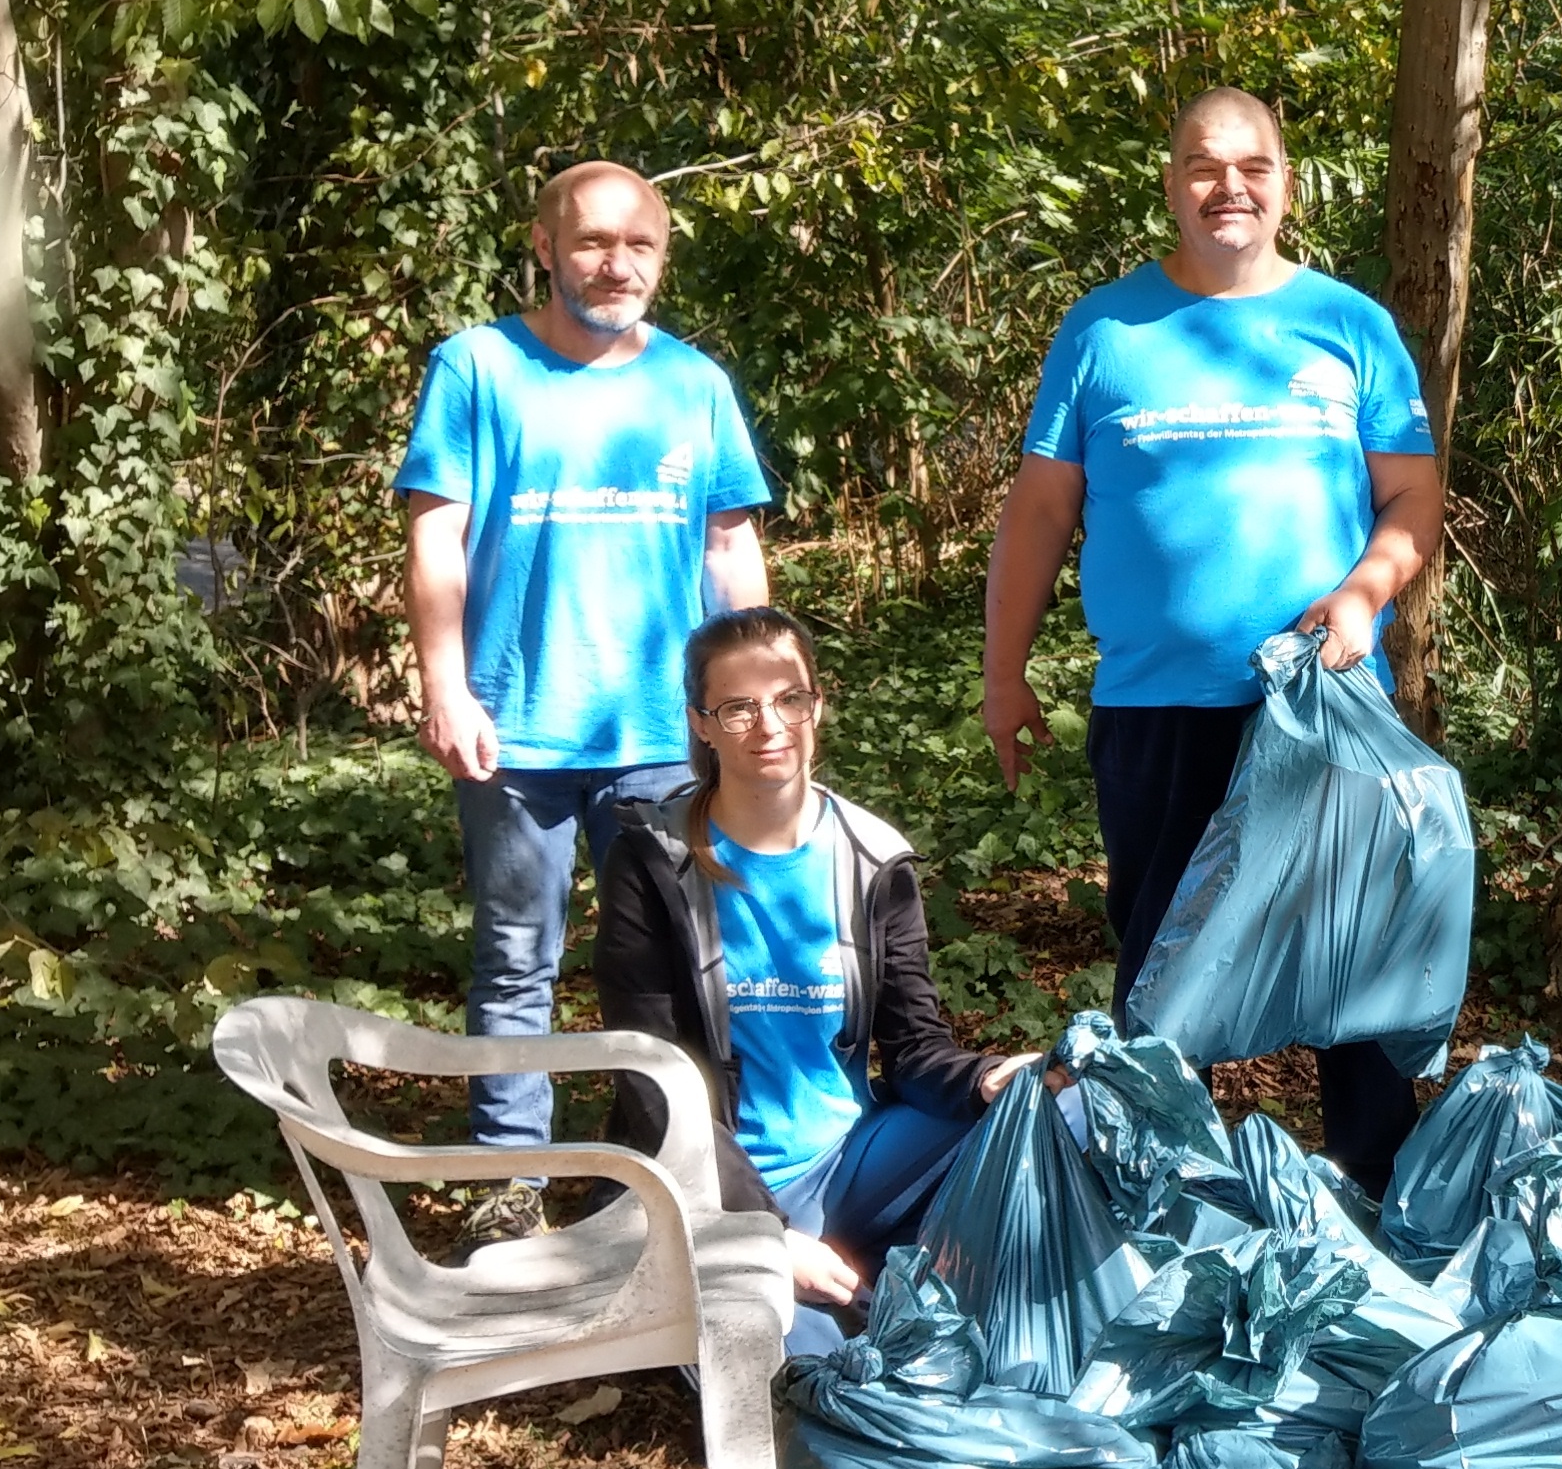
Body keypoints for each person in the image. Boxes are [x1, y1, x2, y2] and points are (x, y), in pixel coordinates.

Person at [982, 86, 1444, 1193]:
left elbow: (1413, 495)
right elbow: (1039, 512)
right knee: (1161, 964)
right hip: (1156, 705)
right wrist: (1004, 674)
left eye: (1252, 166)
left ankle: (1377, 1194)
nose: (1228, 186)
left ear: (1286, 183)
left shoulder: (1349, 325)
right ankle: (1157, 1195)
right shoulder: (1104, 330)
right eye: (1203, 165)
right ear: (1171, 184)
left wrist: (1365, 591)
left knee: (1352, 959)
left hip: (1322, 698)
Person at [398, 161, 774, 1250]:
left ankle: (658, 1175)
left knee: (672, 961)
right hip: (515, 727)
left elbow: (728, 545)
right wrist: (445, 684)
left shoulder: (693, 384)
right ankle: (509, 1180)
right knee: (517, 958)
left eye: (638, 245)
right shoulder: (477, 367)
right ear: (545, 247)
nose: (616, 265)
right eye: (592, 243)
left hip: (662, 733)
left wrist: (752, 697)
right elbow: (434, 534)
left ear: (663, 255)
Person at [595, 607, 1031, 1350]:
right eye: (739, 708)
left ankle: (986, 1314)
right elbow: (653, 1081)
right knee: (806, 1374)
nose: (770, 726)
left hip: (851, 1163)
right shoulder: (652, 862)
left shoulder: (872, 859)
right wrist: (762, 1233)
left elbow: (915, 1049)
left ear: (817, 705)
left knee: (1041, 1113)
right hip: (709, 1186)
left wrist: (984, 1078)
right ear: (701, 724)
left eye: (789, 699)